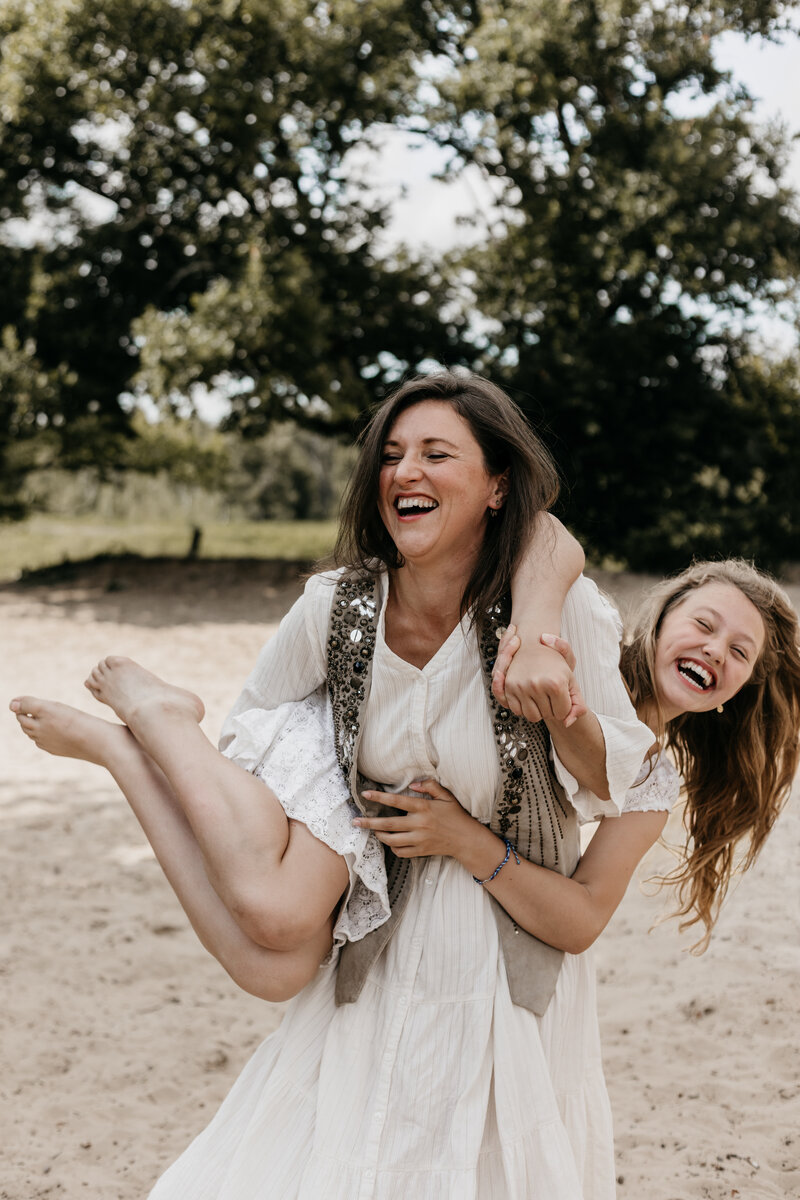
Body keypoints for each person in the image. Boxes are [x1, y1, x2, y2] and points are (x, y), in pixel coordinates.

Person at [9, 370, 677, 1200]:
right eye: (393, 455)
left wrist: (554, 680)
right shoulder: (336, 607)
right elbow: (251, 742)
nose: (407, 472)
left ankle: (133, 744)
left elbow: (610, 779)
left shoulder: (558, 609)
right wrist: (321, 835)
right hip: (376, 906)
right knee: (274, 954)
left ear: (497, 486)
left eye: (438, 453)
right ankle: (149, 734)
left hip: (497, 951)